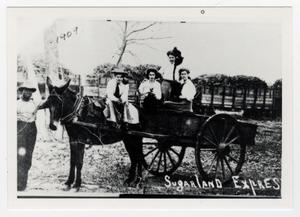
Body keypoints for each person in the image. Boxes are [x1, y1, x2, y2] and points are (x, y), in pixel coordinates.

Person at [17, 81, 41, 191]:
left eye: (30, 91)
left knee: (28, 157)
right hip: (20, 129)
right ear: (22, 91)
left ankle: (23, 182)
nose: (28, 93)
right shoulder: (16, 104)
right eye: (26, 90)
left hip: (32, 130)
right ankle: (19, 184)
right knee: (20, 155)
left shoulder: (35, 103)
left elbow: (47, 103)